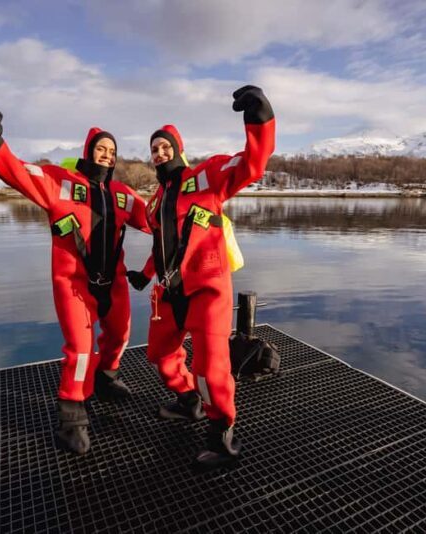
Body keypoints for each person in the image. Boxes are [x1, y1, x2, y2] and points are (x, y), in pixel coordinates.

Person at [0, 109, 149, 455]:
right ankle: (71, 417)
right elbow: (19, 172)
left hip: (113, 283)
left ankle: (106, 378)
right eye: (101, 148)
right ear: (88, 150)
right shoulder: (61, 182)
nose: (107, 155)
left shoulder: (123, 194)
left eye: (112, 151)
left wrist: (199, 216)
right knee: (81, 350)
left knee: (120, 336)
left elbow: (156, 220)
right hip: (74, 284)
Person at [127, 85, 275, 469]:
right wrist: (145, 274)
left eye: (165, 146)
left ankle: (222, 435)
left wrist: (259, 119)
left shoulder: (206, 177)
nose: (159, 153)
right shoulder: (155, 202)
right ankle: (189, 402)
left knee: (210, 369)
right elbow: (163, 246)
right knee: (160, 355)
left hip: (207, 290)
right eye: (154, 148)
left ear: (178, 149)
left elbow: (252, 165)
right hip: (168, 292)